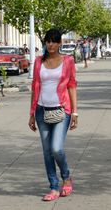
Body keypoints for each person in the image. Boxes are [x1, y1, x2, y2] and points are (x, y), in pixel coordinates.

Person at [28, 28, 78, 202]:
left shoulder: (68, 61)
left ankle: (66, 176)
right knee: (47, 151)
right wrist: (32, 113)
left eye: (54, 41)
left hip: (61, 110)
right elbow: (35, 87)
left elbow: (72, 86)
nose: (51, 44)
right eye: (48, 41)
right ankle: (54, 186)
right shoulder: (38, 62)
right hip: (42, 110)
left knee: (56, 148)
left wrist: (75, 112)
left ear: (60, 43)